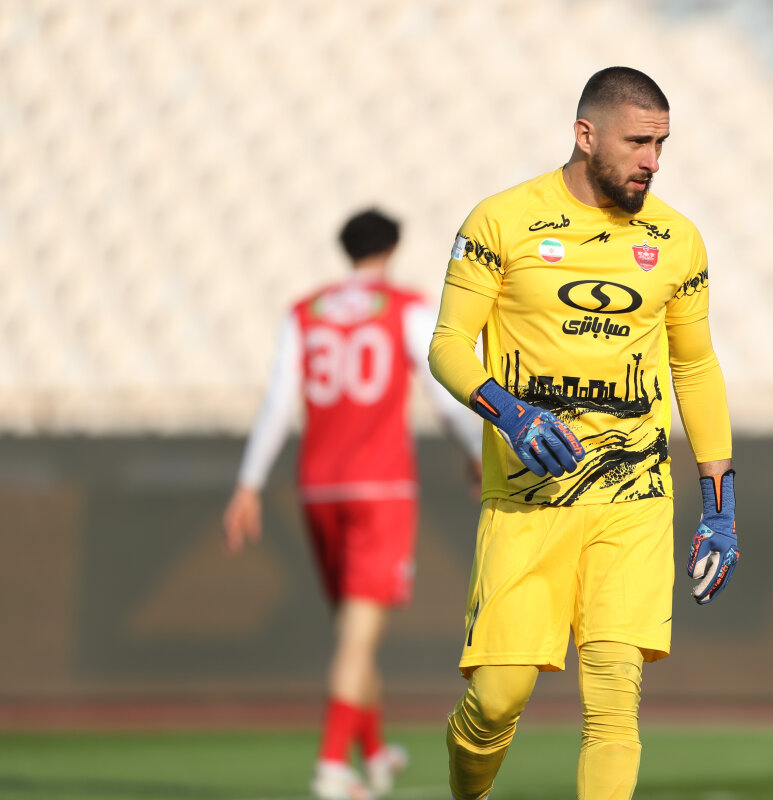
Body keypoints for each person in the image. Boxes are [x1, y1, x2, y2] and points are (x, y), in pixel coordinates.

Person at [428, 66, 739, 800]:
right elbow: (447, 346)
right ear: (585, 135)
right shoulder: (500, 221)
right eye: (638, 143)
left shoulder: (677, 240)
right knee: (496, 701)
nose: (652, 161)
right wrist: (511, 414)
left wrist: (720, 507)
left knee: (614, 703)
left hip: (634, 500)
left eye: (661, 145)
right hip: (528, 503)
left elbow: (696, 368)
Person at [223, 209, 482, 800]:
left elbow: (279, 401)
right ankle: (332, 766)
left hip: (318, 487)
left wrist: (248, 484)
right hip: (380, 489)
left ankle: (375, 752)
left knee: (351, 632)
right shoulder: (403, 307)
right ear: (391, 249)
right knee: (358, 638)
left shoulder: (304, 312)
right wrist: (475, 453)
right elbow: (443, 391)